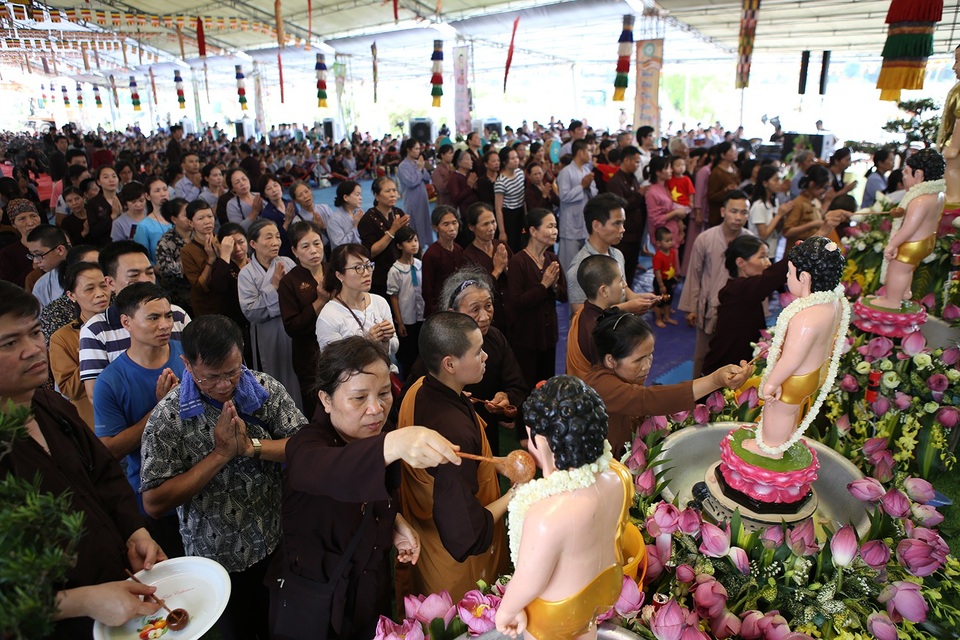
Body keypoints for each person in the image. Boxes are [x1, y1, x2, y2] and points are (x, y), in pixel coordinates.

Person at [0, 281, 167, 637]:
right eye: (11, 343)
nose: (33, 350)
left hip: (114, 589)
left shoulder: (48, 405)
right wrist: (80, 600)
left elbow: (103, 473)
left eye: (34, 333)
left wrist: (133, 531)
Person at [267, 337, 460, 640]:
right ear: (326, 399)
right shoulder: (308, 445)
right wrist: (393, 443)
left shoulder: (376, 436)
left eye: (384, 393)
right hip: (317, 605)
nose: (376, 409)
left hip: (370, 594)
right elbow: (323, 469)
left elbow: (375, 495)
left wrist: (395, 522)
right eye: (359, 398)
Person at [140, 315, 307, 640]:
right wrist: (219, 455)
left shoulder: (264, 390)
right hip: (213, 562)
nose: (223, 385)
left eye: (232, 372)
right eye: (210, 377)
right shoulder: (167, 418)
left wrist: (250, 448)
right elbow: (154, 503)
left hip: (274, 542)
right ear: (186, 363)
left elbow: (304, 447)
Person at [495, 376, 634, 640]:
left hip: (557, 610)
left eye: (529, 437)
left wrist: (507, 611)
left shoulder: (547, 515)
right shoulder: (619, 475)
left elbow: (528, 581)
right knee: (587, 630)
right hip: (604, 586)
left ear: (545, 442)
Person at [398, 312, 511, 601]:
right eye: (478, 352)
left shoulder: (418, 388)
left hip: (427, 545)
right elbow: (466, 532)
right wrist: (516, 496)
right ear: (449, 363)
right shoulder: (454, 432)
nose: (486, 356)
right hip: (456, 570)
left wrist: (497, 466)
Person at [93, 283, 185, 556]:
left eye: (168, 316)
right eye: (153, 318)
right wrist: (160, 409)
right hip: (156, 500)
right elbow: (110, 449)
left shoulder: (189, 353)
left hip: (205, 488)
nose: (165, 325)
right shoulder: (110, 381)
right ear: (126, 322)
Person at [584, 310, 750, 456]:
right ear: (610, 360)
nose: (647, 365)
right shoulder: (599, 385)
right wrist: (715, 380)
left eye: (650, 355)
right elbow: (645, 400)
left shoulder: (623, 376)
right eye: (639, 360)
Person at [746, 237, 847, 457]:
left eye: (789, 273)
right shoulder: (834, 302)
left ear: (804, 278)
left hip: (797, 376)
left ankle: (771, 448)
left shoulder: (806, 317)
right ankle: (786, 439)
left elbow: (791, 359)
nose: (787, 278)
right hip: (816, 371)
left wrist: (771, 383)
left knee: (777, 410)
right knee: (792, 410)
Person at [78, 242, 190, 400]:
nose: (145, 281)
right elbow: (96, 396)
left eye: (150, 273)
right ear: (110, 282)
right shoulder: (95, 330)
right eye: (134, 276)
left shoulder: (177, 315)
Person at [678, 190, 753, 377]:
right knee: (703, 355)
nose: (738, 217)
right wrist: (692, 307)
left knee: (736, 355)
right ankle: (696, 400)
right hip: (709, 308)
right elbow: (694, 274)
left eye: (743, 212)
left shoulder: (751, 242)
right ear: (722, 212)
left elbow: (756, 278)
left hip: (738, 309)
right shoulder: (705, 239)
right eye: (733, 211)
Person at [238, 218, 303, 410]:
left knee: (297, 373)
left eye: (277, 236)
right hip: (267, 334)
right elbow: (250, 311)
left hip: (292, 329)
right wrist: (273, 286)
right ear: (253, 243)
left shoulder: (288, 263)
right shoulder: (246, 274)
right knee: (274, 376)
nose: (275, 242)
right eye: (268, 237)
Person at [874, 148, 946, 310]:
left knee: (897, 269)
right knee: (908, 269)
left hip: (913, 242)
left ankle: (892, 300)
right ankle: (905, 292)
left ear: (919, 175)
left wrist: (893, 244)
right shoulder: (939, 195)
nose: (904, 177)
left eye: (906, 173)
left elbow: (909, 228)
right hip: (927, 240)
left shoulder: (920, 200)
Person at [704, 235, 788, 373]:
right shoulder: (737, 290)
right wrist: (803, 251)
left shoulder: (743, 288)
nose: (768, 263)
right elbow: (772, 277)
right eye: (762, 257)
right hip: (724, 370)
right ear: (741, 263)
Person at [566, 192, 659, 314]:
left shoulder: (617, 255)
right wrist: (626, 308)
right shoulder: (579, 267)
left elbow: (624, 290)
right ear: (597, 226)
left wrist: (640, 299)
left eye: (623, 223)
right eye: (617, 223)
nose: (623, 229)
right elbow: (582, 315)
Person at [507, 209, 567, 387]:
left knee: (546, 384)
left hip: (548, 335)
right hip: (527, 337)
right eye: (550, 226)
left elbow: (564, 296)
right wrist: (543, 285)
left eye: (556, 226)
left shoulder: (552, 258)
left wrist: (554, 286)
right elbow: (516, 302)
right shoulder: (519, 261)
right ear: (533, 231)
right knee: (527, 384)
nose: (555, 231)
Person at [278, 220, 330, 419]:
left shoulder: (333, 271)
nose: (314, 251)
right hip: (309, 355)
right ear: (294, 250)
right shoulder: (289, 282)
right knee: (317, 408)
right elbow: (292, 327)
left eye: (317, 243)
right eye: (305, 246)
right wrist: (320, 302)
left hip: (339, 349)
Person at [49, 261, 110, 429]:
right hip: (94, 421)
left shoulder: (127, 323)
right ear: (71, 295)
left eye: (103, 286)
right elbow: (69, 389)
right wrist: (94, 351)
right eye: (89, 289)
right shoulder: (62, 338)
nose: (100, 294)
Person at [316, 243, 399, 361]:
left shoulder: (379, 302)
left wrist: (386, 341)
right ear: (340, 275)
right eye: (358, 268)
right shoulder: (329, 316)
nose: (366, 273)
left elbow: (394, 346)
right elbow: (332, 362)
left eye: (368, 266)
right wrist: (367, 342)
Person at [566, 255, 627, 380]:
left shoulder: (582, 312)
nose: (625, 285)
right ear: (604, 291)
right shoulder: (598, 331)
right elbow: (606, 380)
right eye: (620, 280)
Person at [462, 202, 512, 337]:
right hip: (488, 318)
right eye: (485, 224)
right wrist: (497, 270)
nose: (491, 228)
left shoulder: (501, 246)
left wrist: (506, 269)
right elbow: (474, 291)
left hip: (510, 311)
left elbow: (516, 278)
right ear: (472, 227)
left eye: (493, 222)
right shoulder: (468, 256)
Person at [359, 177, 409, 298]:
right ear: (377, 195)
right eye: (387, 191)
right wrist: (392, 231)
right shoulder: (368, 219)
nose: (393, 194)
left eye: (394, 190)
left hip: (401, 271)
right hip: (380, 276)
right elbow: (370, 252)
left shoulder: (398, 212)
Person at [387, 226, 425, 378]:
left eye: (415, 240)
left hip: (422, 315)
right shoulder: (395, 270)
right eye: (409, 241)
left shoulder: (419, 264)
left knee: (421, 349)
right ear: (399, 246)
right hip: (407, 317)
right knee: (408, 353)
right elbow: (393, 296)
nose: (414, 244)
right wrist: (400, 322)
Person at [606, 146, 645, 285]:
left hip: (636, 232)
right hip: (624, 235)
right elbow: (620, 206)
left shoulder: (632, 178)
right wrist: (639, 194)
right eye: (636, 162)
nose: (637, 165)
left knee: (631, 269)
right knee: (620, 269)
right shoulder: (615, 182)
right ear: (626, 160)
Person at [556, 139, 598, 271]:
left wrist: (588, 187)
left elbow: (595, 192)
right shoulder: (566, 172)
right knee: (569, 262)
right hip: (570, 224)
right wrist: (582, 186)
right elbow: (563, 196)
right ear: (580, 152)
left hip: (583, 220)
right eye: (589, 151)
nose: (591, 154)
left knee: (584, 260)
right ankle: (566, 289)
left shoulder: (586, 170)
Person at [421, 205, 464, 317]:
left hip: (459, 306)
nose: (452, 228)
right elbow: (427, 290)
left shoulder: (459, 249)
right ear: (435, 227)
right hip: (440, 311)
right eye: (446, 224)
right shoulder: (431, 255)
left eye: (454, 222)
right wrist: (438, 312)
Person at [154, 198, 193, 314]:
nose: (191, 218)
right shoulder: (165, 242)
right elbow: (166, 270)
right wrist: (188, 264)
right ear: (174, 219)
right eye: (186, 215)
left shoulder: (199, 234)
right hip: (180, 296)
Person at [749, 165, 792, 258]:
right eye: (776, 180)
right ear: (765, 183)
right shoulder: (759, 205)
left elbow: (776, 230)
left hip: (771, 251)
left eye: (780, 179)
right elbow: (763, 235)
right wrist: (779, 215)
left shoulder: (774, 201)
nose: (779, 183)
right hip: (758, 253)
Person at [398, 139, 433, 246]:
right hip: (412, 199)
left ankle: (424, 245)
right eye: (416, 149)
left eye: (419, 149)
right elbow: (411, 182)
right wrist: (418, 169)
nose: (418, 151)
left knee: (424, 221)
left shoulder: (418, 163)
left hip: (422, 197)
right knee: (414, 224)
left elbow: (427, 178)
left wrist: (422, 168)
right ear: (408, 150)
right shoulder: (403, 166)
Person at [0, 199, 43, 287]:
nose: (30, 223)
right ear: (14, 224)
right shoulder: (7, 254)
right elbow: (10, 287)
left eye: (33, 216)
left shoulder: (54, 242)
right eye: (22, 219)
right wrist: (32, 268)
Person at [24, 225, 68, 306]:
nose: (35, 261)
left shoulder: (89, 270)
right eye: (32, 255)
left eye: (38, 254)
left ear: (60, 250)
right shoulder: (41, 285)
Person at [494, 146, 527, 252]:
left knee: (523, 241)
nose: (516, 160)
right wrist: (502, 231)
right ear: (504, 162)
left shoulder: (520, 173)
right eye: (512, 158)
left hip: (520, 212)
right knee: (512, 245)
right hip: (509, 216)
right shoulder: (501, 181)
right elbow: (498, 208)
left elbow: (523, 198)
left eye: (516, 157)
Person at [132, 178, 173, 263]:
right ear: (147, 196)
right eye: (157, 191)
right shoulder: (144, 226)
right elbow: (143, 258)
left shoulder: (179, 218)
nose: (163, 194)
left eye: (165, 189)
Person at [706, 142, 740, 227]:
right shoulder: (717, 172)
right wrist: (726, 190)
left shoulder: (734, 168)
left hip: (733, 212)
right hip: (719, 216)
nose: (736, 153)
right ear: (723, 155)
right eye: (732, 151)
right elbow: (711, 196)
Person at [652, 227, 679, 328]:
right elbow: (658, 273)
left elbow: (672, 266)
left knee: (668, 299)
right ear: (659, 243)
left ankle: (667, 317)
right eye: (667, 241)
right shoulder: (658, 257)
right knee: (660, 301)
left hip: (669, 280)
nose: (670, 242)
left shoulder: (672, 252)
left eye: (671, 240)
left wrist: (673, 277)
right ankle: (658, 319)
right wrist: (661, 285)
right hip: (661, 281)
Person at [326, 180, 365, 250]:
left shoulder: (358, 213)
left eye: (360, 194)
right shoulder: (334, 220)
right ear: (346, 197)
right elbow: (340, 245)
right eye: (357, 194)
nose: (360, 198)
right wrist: (355, 226)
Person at [449, 149, 481, 221]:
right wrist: (469, 186)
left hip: (475, 209)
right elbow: (456, 198)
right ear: (460, 162)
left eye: (471, 159)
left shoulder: (471, 175)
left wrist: (475, 187)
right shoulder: (454, 177)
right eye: (468, 159)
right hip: (464, 212)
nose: (471, 162)